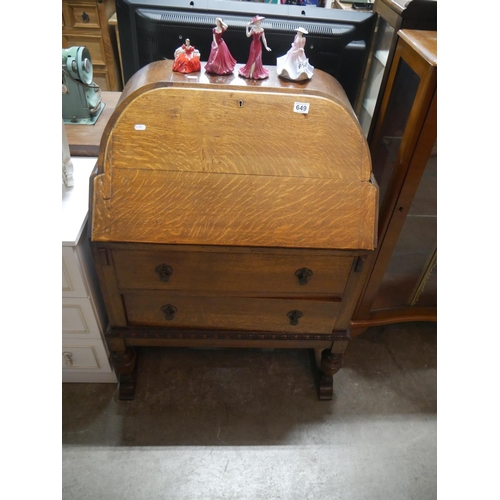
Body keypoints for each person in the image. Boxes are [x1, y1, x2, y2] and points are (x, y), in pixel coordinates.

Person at [238, 15, 271, 80]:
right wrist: (247, 27)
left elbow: (264, 39)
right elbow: (248, 35)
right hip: (253, 45)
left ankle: (252, 73)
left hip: (258, 45)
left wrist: (266, 47)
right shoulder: (253, 29)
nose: (258, 23)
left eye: (259, 22)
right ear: (255, 23)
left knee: (257, 59)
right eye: (257, 22)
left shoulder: (262, 30)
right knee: (252, 58)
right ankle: (250, 73)